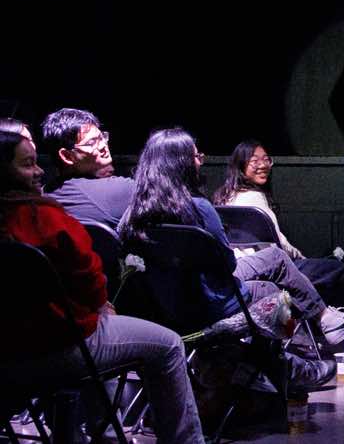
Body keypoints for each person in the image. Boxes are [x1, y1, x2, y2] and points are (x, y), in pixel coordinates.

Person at [118, 129, 344, 387]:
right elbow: (227, 264)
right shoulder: (199, 209)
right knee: (272, 291)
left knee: (274, 261)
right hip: (210, 302)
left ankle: (318, 331)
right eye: (196, 156)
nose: (200, 162)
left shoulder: (134, 214)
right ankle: (290, 370)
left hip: (165, 306)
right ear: (180, 163)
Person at [0, 128, 203, 444]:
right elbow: (89, 275)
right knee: (169, 345)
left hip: (8, 353)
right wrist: (99, 304)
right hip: (56, 345)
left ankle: (101, 435)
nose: (39, 170)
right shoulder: (42, 216)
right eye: (27, 164)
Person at [211, 139, 344, 294]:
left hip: (240, 269)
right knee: (335, 268)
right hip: (267, 270)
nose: (263, 165)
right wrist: (301, 257)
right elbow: (278, 244)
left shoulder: (223, 196)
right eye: (254, 161)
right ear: (241, 166)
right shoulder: (254, 197)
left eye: (266, 160)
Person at [41, 107, 134, 228]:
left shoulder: (42, 196)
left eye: (102, 137)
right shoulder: (121, 190)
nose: (103, 146)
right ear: (67, 156)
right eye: (91, 143)